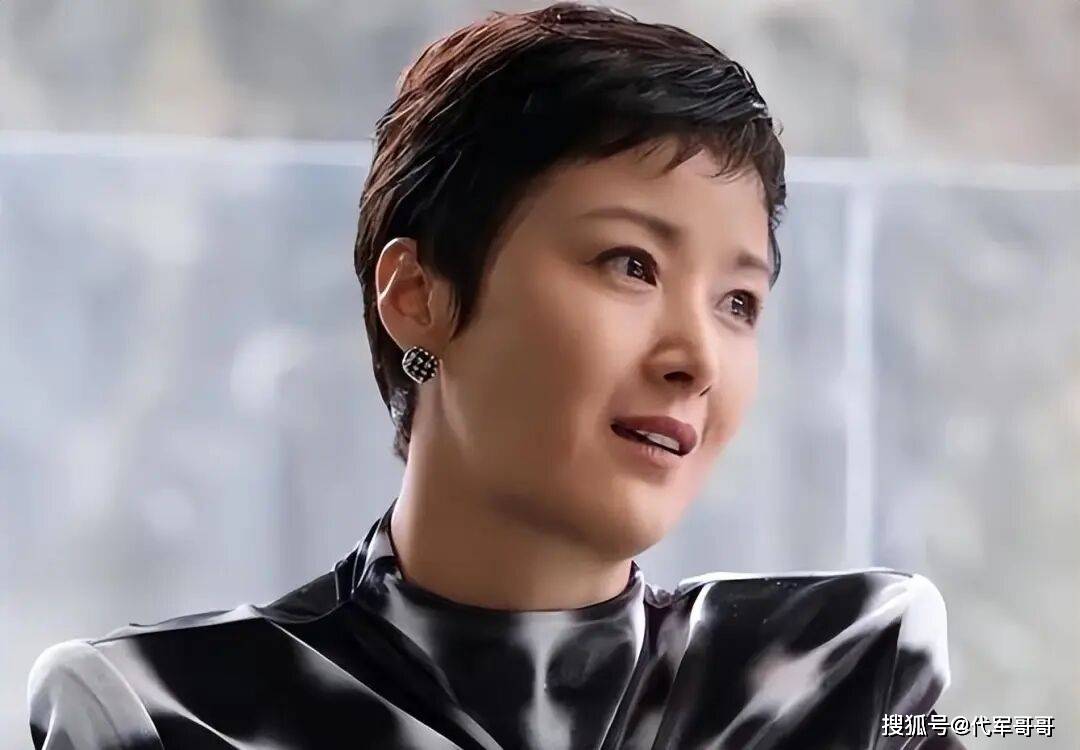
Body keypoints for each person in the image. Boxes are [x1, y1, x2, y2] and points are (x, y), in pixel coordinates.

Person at [28, 3, 963, 748]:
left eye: (739, 303)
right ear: (417, 296)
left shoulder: (835, 679)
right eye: (631, 264)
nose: (697, 360)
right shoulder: (170, 715)